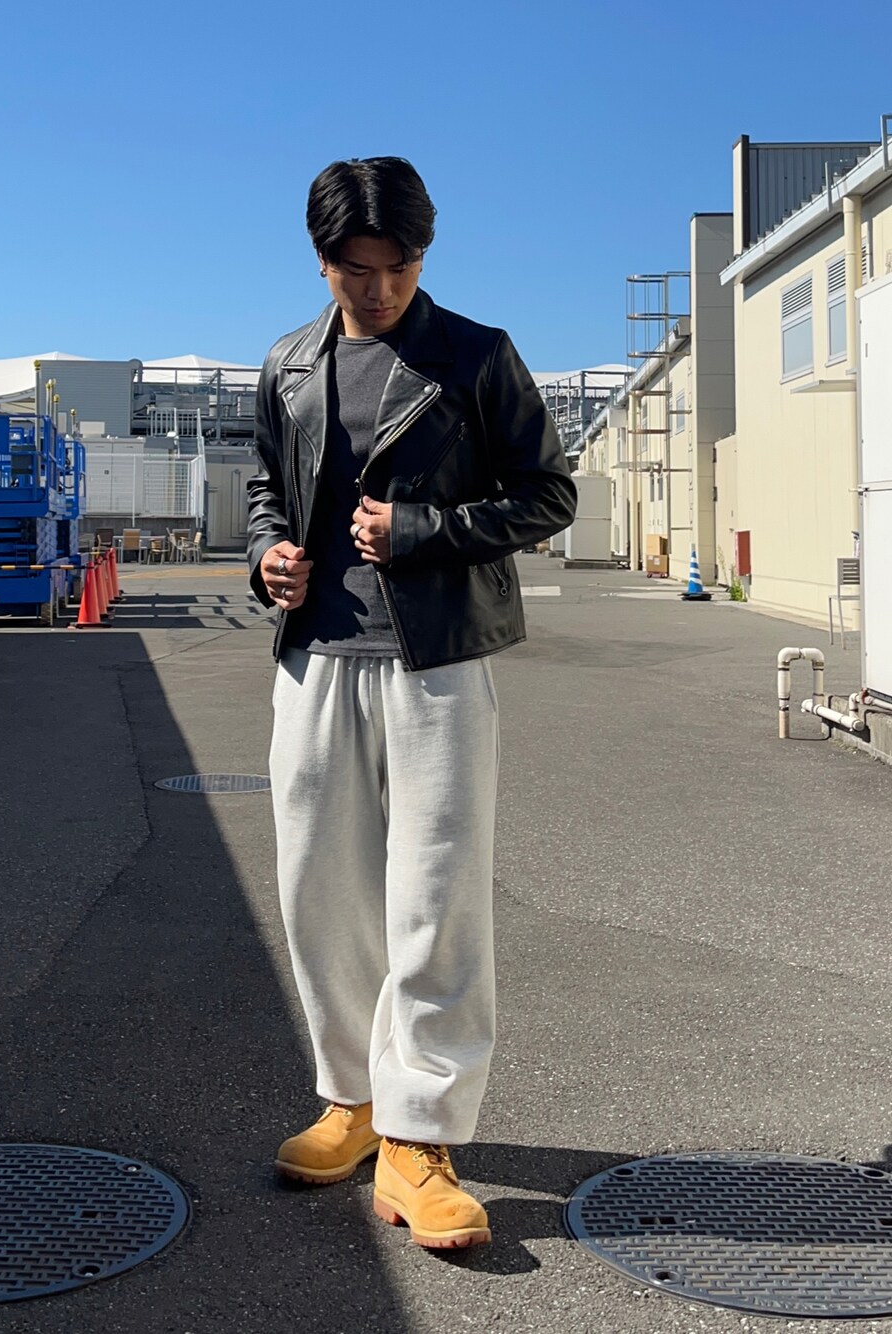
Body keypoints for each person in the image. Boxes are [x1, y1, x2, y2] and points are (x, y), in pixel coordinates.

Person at [247, 156, 576, 1251]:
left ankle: (421, 1133)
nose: (381, 288)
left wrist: (427, 529)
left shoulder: (475, 355)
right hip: (315, 659)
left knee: (437, 895)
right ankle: (352, 1099)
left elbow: (548, 492)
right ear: (322, 261)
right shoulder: (289, 364)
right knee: (318, 888)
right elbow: (265, 489)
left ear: (424, 256)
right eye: (358, 268)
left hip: (438, 660)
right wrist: (266, 556)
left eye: (401, 265)